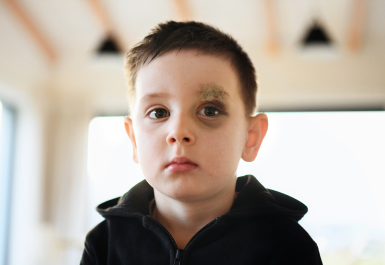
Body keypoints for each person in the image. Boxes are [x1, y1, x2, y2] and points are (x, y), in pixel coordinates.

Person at [80, 21, 322, 265]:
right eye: (158, 113)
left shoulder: (289, 247)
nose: (179, 132)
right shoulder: (104, 245)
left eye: (209, 110)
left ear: (250, 137)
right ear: (133, 140)